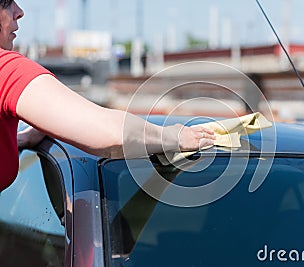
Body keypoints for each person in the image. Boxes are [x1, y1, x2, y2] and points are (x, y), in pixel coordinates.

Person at [0, 0, 215, 191]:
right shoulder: (7, 69)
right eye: (7, 2)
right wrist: (174, 137)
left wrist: (14, 139)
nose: (19, 11)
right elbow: (113, 135)